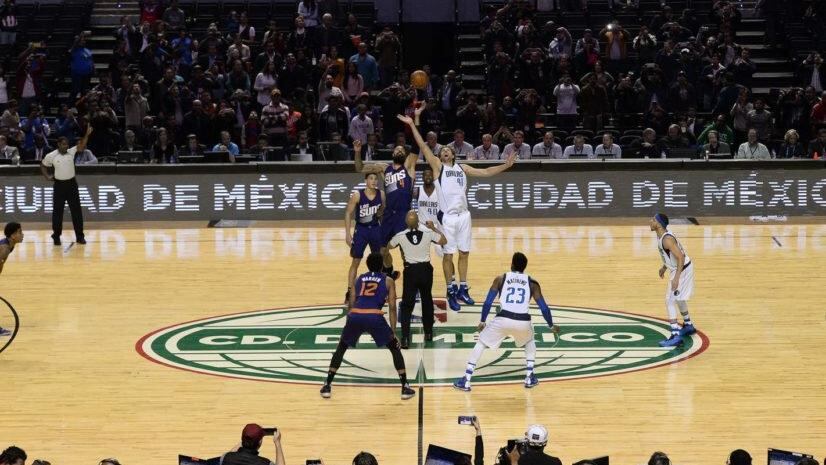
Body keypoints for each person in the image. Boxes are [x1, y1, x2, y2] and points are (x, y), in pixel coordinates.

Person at [400, 112, 515, 312]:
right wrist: (412, 125)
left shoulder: (462, 168)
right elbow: (424, 147)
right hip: (449, 218)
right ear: (439, 156)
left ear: (453, 154)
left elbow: (486, 172)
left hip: (464, 216)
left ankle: (463, 287)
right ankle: (450, 290)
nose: (445, 152)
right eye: (442, 150)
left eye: (448, 150)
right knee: (448, 255)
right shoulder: (437, 168)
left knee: (464, 253)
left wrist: (506, 165)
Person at [454, 252, 560, 391]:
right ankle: (529, 376)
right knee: (529, 340)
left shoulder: (501, 278)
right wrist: (551, 325)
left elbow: (488, 302)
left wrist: (482, 321)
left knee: (482, 342)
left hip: (503, 319)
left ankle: (466, 379)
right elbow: (544, 308)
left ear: (512, 264)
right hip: (522, 321)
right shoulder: (532, 283)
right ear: (524, 268)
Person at [320, 252, 415, 400]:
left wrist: (349, 323)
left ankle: (327, 385)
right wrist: (394, 331)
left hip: (356, 314)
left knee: (342, 347)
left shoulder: (359, 279)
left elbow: (351, 303)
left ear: (367, 265)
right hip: (374, 316)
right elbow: (391, 307)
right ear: (382, 266)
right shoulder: (388, 280)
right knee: (394, 348)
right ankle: (405, 387)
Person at [353, 134, 418, 281]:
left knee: (406, 252)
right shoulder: (384, 168)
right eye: (397, 150)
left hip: (404, 215)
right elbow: (359, 168)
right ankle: (387, 274)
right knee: (382, 251)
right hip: (388, 215)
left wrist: (415, 120)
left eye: (402, 150)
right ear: (392, 153)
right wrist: (357, 151)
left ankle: (412, 283)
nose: (399, 151)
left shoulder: (408, 167)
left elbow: (416, 146)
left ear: (406, 155)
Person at [388, 210, 447, 348]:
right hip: (426, 270)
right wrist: (433, 228)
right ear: (418, 221)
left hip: (410, 271)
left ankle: (405, 339)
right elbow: (444, 240)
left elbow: (389, 246)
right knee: (427, 301)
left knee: (407, 306)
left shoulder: (400, 236)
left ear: (406, 222)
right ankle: (428, 333)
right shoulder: (427, 233)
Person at [650, 213, 697, 347]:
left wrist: (676, 278)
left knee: (669, 300)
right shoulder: (662, 236)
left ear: (658, 224)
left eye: (653, 220)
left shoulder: (667, 239)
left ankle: (675, 335)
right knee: (678, 297)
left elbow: (680, 257)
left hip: (681, 269)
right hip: (679, 268)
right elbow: (671, 255)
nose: (650, 221)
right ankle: (688, 325)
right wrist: (664, 267)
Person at [40, 125, 92, 246]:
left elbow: (81, 146)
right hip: (59, 186)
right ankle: (56, 236)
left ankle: (80, 236)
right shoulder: (51, 156)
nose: (66, 146)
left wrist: (87, 135)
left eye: (67, 144)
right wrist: (47, 176)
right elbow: (42, 165)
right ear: (58, 144)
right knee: (57, 212)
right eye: (63, 144)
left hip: (72, 185)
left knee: (77, 212)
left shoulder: (71, 152)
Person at [343, 172, 386, 301]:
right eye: (371, 178)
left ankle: (380, 290)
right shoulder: (357, 195)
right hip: (361, 230)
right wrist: (347, 233)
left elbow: (384, 209)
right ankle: (349, 291)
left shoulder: (381, 194)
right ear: (365, 181)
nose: (374, 181)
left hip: (375, 229)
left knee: (378, 261)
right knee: (355, 261)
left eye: (375, 179)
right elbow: (347, 213)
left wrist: (381, 214)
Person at [220, 423, 285, 465]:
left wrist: (248, 437)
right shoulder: (266, 463)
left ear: (242, 438)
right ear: (260, 442)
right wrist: (277, 443)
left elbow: (231, 454)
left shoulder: (225, 458)